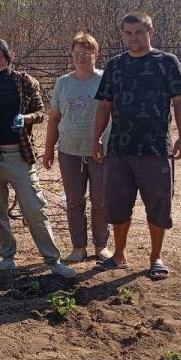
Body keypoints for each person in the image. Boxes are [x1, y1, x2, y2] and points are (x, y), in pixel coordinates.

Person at [93, 11, 181, 279]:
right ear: (122, 34)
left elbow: (180, 102)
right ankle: (119, 254)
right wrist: (97, 139)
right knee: (118, 204)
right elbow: (104, 104)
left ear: (150, 32)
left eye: (139, 32)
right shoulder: (115, 65)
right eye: (128, 33)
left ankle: (156, 257)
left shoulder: (167, 63)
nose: (133, 37)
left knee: (158, 204)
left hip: (156, 148)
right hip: (120, 149)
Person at [0, 39, 77, 278]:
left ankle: (53, 259)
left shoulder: (26, 81)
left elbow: (42, 112)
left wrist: (26, 118)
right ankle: (7, 257)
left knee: (34, 209)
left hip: (19, 155)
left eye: (0, 56)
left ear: (9, 56)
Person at [43, 32, 112, 264]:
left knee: (101, 200)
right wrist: (49, 148)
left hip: (100, 151)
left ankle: (101, 246)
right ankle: (78, 247)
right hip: (69, 151)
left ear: (96, 54)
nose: (82, 57)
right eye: (77, 53)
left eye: (87, 53)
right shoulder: (63, 83)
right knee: (74, 200)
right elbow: (54, 118)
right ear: (72, 55)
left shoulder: (105, 80)